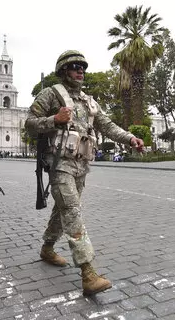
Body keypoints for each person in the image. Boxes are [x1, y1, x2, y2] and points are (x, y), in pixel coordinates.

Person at [26, 50, 145, 295]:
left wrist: (131, 138)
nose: (80, 70)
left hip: (82, 165)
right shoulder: (50, 94)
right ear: (63, 71)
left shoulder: (89, 102)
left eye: (83, 67)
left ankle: (47, 247)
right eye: (74, 66)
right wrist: (54, 120)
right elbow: (29, 123)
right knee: (72, 211)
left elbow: (108, 126)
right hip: (59, 164)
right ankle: (88, 272)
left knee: (63, 210)